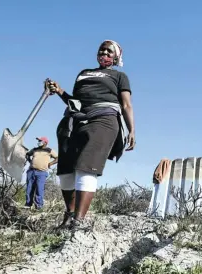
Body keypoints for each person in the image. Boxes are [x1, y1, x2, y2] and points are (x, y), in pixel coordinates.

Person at [47, 39, 135, 229]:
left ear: (116, 57)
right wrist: (60, 90)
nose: (104, 53)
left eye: (109, 52)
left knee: (86, 166)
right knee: (65, 169)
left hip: (103, 118)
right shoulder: (83, 74)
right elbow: (75, 101)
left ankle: (78, 221)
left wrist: (131, 129)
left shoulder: (120, 76)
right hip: (74, 119)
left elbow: (126, 104)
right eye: (101, 50)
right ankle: (69, 216)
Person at [25, 137, 58, 209]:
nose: (39, 142)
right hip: (31, 171)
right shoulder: (34, 150)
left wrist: (50, 164)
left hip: (42, 172)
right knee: (29, 189)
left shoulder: (49, 150)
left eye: (40, 140)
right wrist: (30, 161)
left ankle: (39, 206)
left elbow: (58, 158)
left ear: (45, 142)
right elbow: (27, 154)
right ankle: (28, 205)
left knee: (39, 190)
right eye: (39, 140)